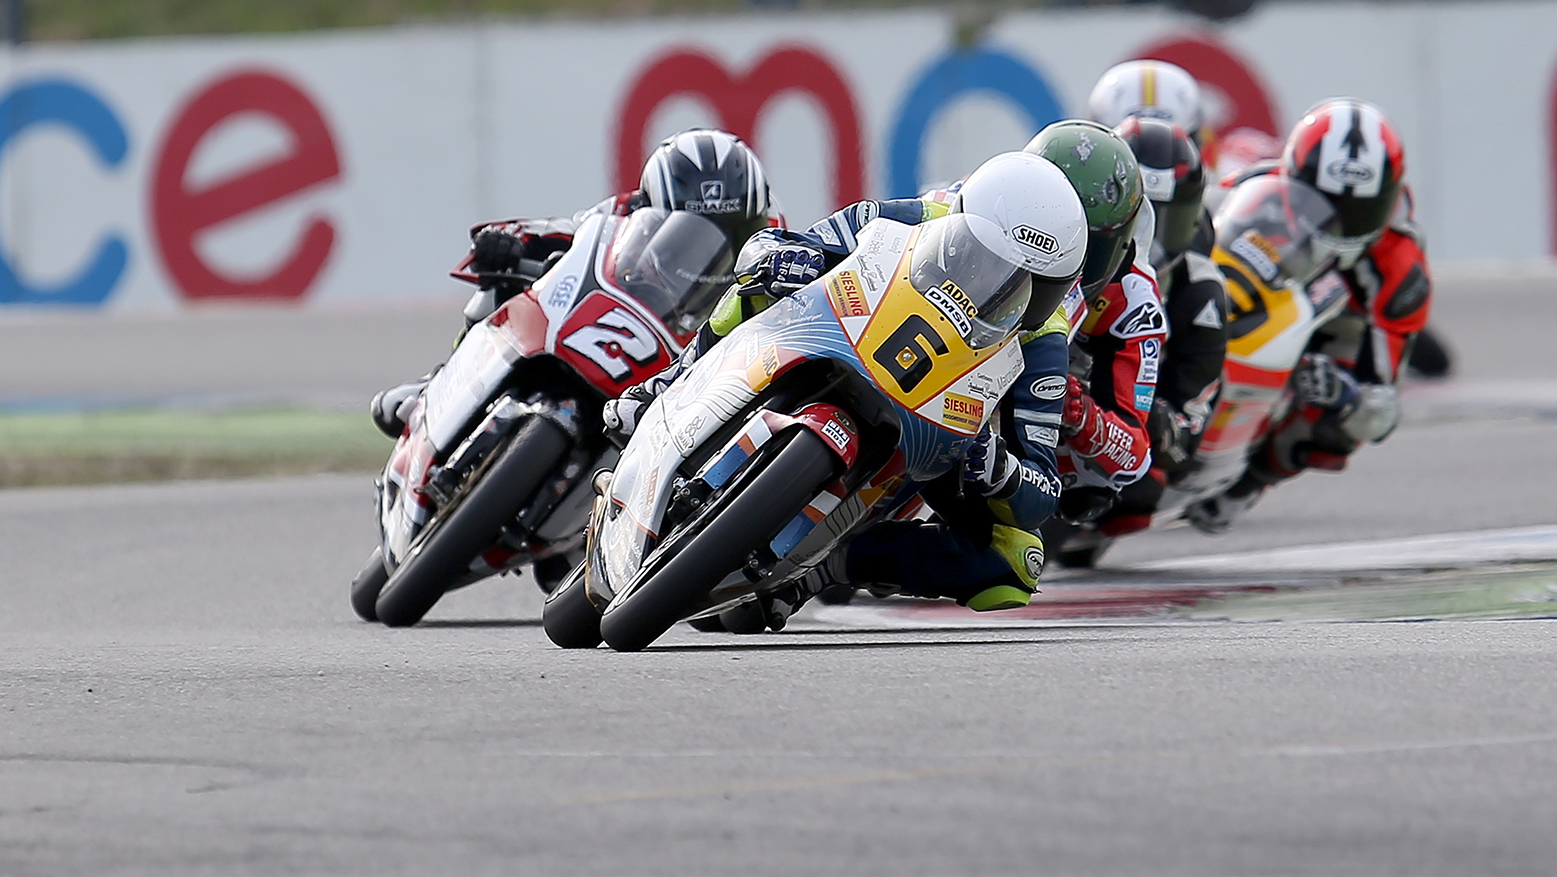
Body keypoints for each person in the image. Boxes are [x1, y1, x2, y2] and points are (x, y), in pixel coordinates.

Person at [620, 148, 1092, 620]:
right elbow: (774, 245)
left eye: (1032, 284)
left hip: (939, 430)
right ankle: (671, 381)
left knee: (1019, 561)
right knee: (758, 287)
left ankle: (829, 565)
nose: (1005, 288)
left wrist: (1002, 471)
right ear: (959, 224)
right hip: (847, 336)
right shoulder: (916, 216)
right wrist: (789, 258)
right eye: (987, 262)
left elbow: (1041, 489)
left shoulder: (1044, 340)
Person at [369, 128, 772, 439]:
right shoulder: (622, 212)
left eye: (726, 234)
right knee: (507, 288)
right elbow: (565, 233)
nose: (703, 253)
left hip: (690, 371)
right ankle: (440, 385)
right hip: (624, 326)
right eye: (683, 235)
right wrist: (508, 244)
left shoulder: (772, 242)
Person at [1184, 97, 1432, 533]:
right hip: (1270, 284)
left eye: (1360, 209)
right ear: (1291, 175)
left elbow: (1381, 403)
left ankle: (1251, 481)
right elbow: (1191, 236)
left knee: (1355, 418)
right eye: (1322, 199)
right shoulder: (1254, 188)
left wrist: (1343, 392)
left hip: (1341, 324)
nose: (1341, 221)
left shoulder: (1401, 266)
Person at [1047, 113, 1226, 560]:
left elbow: (1186, 434)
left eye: (1168, 220)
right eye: (1143, 215)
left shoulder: (1199, 291)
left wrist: (1155, 422)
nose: (1152, 238)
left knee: (1145, 485)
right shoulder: (1070, 251)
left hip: (1122, 417)